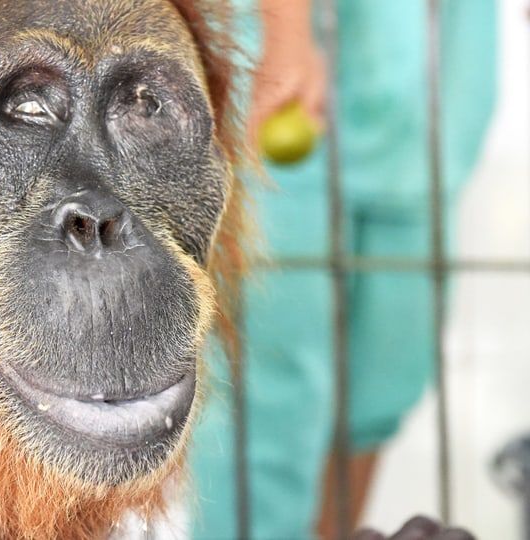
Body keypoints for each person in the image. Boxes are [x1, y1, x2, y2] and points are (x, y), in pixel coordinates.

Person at [189, 1, 497, 538]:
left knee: (378, 384)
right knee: (266, 398)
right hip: (297, 66)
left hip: (425, 80)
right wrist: (284, 32)